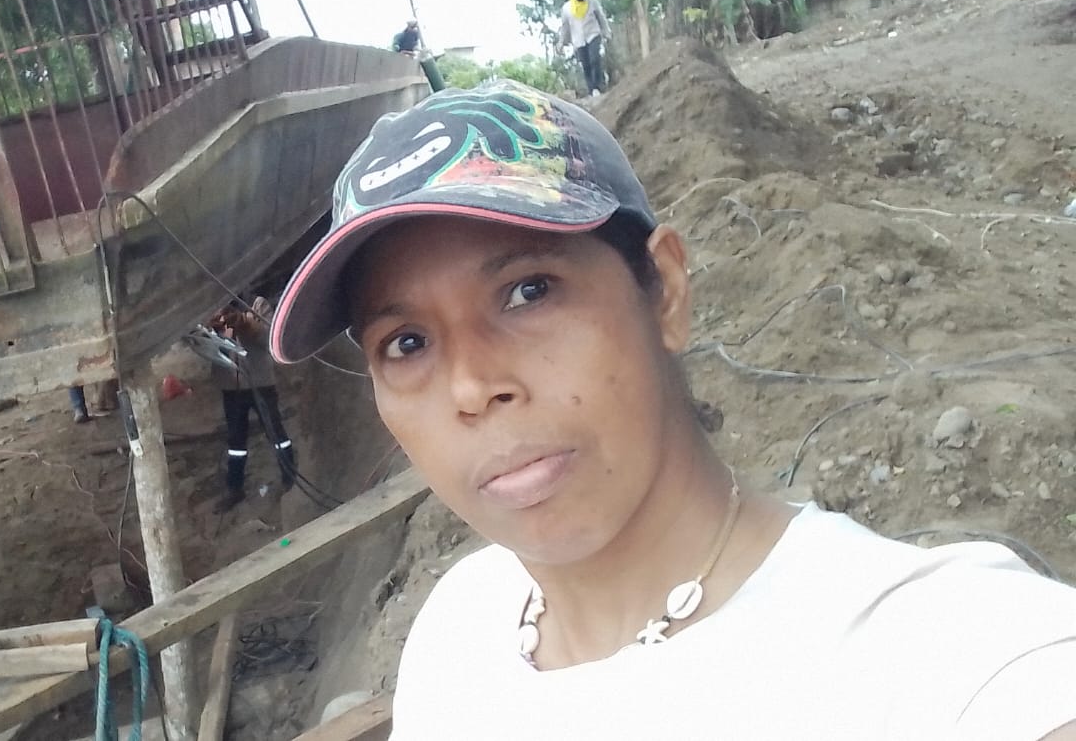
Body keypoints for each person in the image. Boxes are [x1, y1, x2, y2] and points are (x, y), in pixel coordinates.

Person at [267, 80, 1076, 738]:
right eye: (406, 343)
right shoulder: (457, 634)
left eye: (528, 291)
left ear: (667, 291)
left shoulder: (929, 649)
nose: (471, 387)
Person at [210, 296, 298, 513]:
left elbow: (270, 340)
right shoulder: (211, 309)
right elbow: (203, 343)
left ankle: (290, 478)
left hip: (261, 383)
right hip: (231, 387)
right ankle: (235, 488)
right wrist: (216, 328)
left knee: (276, 433)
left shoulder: (259, 305)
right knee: (235, 442)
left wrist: (246, 324)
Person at [558, 0, 610, 97]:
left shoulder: (592, 2)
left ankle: (597, 86)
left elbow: (601, 17)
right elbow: (565, 27)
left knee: (594, 59)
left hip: (593, 34)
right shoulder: (566, 8)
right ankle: (591, 90)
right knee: (586, 65)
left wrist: (606, 32)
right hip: (578, 40)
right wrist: (561, 42)